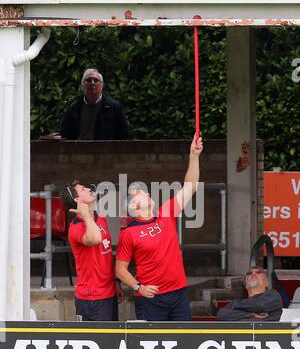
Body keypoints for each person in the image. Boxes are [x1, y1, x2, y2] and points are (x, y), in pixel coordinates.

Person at [115, 134, 203, 321]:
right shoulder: (129, 233)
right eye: (139, 193)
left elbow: (190, 187)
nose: (146, 192)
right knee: (152, 346)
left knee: (183, 342)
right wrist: (139, 287)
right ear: (133, 207)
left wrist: (194, 156)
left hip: (178, 294)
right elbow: (120, 269)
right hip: (151, 298)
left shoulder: (165, 213)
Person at [60, 180, 124, 321]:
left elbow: (106, 252)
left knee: (111, 341)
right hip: (92, 298)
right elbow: (95, 239)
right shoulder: (76, 227)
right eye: (83, 189)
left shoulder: (99, 218)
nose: (89, 189)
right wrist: (86, 215)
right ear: (77, 199)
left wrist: (116, 281)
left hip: (109, 293)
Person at [60, 68, 130, 140]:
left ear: (102, 85)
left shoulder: (114, 107)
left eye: (96, 80)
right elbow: (65, 133)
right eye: (89, 80)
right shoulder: (74, 108)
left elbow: (124, 134)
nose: (92, 83)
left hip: (105, 150)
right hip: (79, 150)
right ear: (83, 85)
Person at [217, 266, 282, 322]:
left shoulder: (273, 295)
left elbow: (260, 306)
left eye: (258, 272)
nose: (253, 274)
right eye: (249, 273)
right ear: (245, 284)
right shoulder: (239, 302)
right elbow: (221, 314)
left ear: (267, 282)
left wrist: (234, 305)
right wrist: (251, 315)